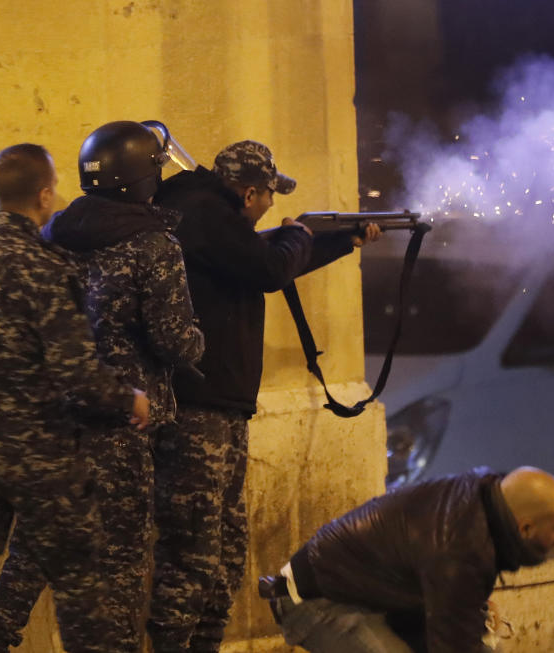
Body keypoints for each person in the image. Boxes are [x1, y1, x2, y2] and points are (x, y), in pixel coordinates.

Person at [0, 143, 150, 653]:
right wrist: (128, 401)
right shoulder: (48, 268)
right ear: (44, 195)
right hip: (42, 457)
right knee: (80, 586)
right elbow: (76, 373)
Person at [0, 122, 205, 653]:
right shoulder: (153, 244)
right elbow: (174, 339)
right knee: (122, 554)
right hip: (124, 417)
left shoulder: (52, 235)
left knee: (37, 538)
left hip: (59, 413)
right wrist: (198, 343)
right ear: (141, 177)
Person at [147, 140, 381, 651]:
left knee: (224, 553)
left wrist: (342, 240)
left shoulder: (213, 218)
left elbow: (261, 259)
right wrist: (298, 233)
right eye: (269, 196)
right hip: (198, 411)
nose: (272, 206)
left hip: (220, 406)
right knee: (193, 556)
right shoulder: (206, 213)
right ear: (249, 192)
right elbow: (271, 268)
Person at [258, 466, 554, 653]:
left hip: (379, 600)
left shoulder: (486, 503)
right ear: (525, 527)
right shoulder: (460, 548)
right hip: (315, 601)